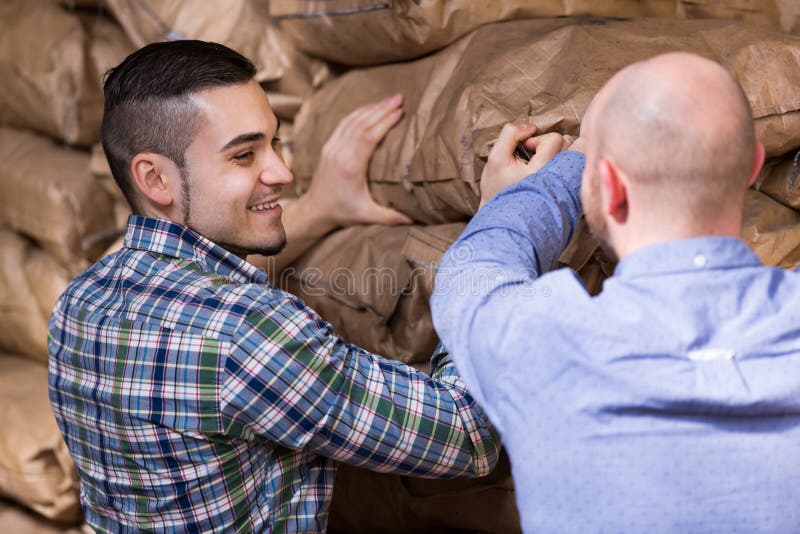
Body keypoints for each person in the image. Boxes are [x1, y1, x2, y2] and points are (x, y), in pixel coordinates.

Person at [48, 40, 499, 533]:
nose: (282, 173)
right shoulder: (248, 333)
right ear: (155, 179)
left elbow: (199, 287)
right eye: (244, 155)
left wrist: (324, 204)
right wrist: (496, 233)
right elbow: (468, 436)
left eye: (274, 142)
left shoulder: (81, 301)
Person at [432, 51, 800, 532]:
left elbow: (475, 267)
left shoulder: (543, 343)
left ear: (609, 186)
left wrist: (566, 171)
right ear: (753, 166)